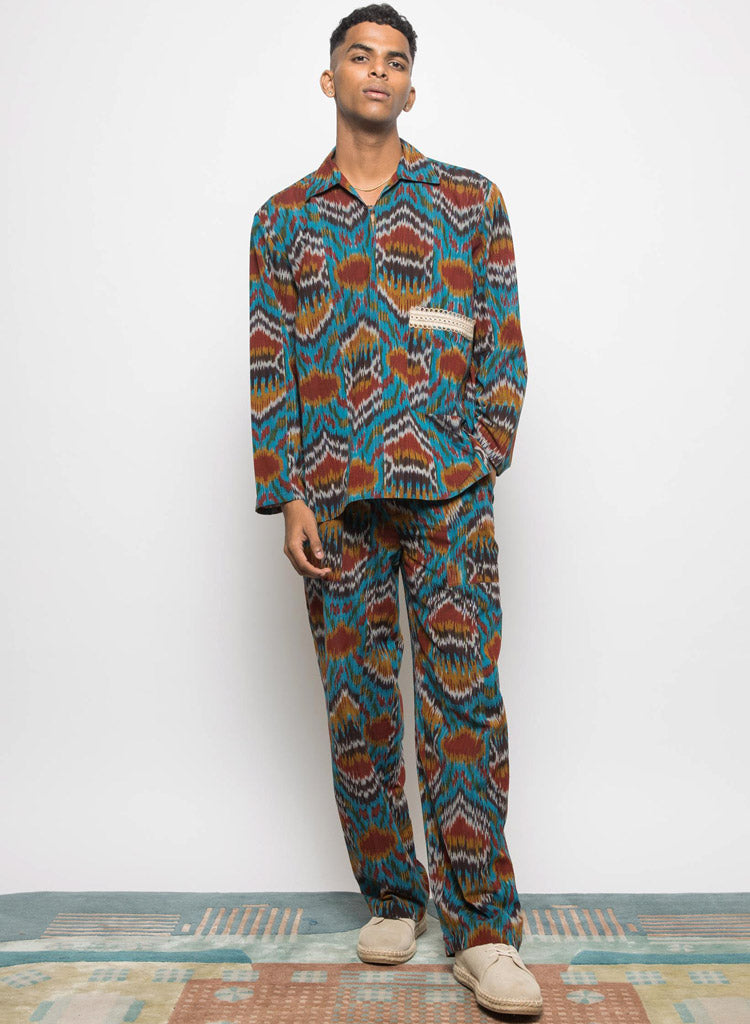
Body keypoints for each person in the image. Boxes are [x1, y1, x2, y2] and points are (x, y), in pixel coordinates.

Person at [248, 4, 542, 1016]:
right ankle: (392, 893)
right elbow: (270, 362)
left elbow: (503, 346)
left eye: (396, 61)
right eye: (359, 56)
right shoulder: (282, 219)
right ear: (328, 78)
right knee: (358, 707)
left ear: (412, 88)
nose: (378, 72)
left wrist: (479, 458)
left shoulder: (470, 200)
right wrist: (288, 489)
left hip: (449, 497)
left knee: (463, 706)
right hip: (334, 503)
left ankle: (485, 931)